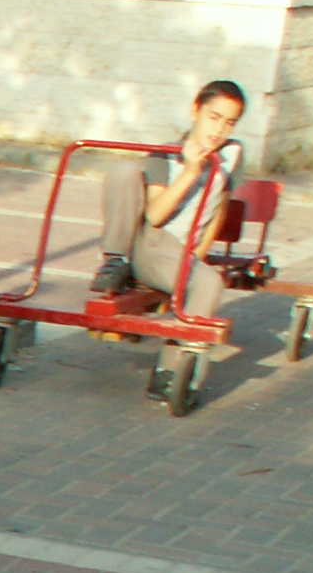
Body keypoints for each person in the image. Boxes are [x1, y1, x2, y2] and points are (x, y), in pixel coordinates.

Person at [92, 81, 247, 399]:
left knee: (207, 282)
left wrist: (200, 253)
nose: (219, 129)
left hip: (180, 253)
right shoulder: (167, 155)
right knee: (124, 169)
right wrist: (190, 171)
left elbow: (220, 206)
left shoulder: (232, 154)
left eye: (229, 122)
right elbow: (155, 215)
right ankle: (116, 261)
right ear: (195, 110)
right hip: (152, 244)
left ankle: (171, 371)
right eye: (213, 117)